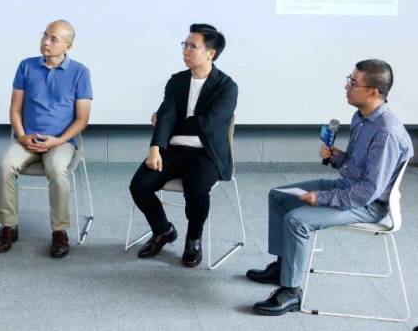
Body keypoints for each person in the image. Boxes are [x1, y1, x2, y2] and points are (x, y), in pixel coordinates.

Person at [246, 59, 413, 316]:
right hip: (348, 186)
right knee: (278, 196)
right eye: (349, 80)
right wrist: (338, 157)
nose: (347, 87)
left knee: (297, 220)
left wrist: (322, 198)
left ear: (374, 91)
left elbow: (368, 191)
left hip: (368, 205)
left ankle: (291, 292)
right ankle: (283, 267)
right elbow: (358, 167)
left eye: (353, 83)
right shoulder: (361, 117)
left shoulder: (386, 133)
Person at [129, 23, 237, 267]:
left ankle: (193, 239)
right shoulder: (176, 81)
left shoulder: (227, 87)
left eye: (192, 46)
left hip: (206, 153)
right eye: (184, 45)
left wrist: (169, 122)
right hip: (174, 149)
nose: (185, 50)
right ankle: (163, 230)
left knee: (196, 188)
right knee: (139, 185)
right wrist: (155, 147)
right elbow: (167, 112)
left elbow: (207, 124)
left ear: (210, 53)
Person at [0, 20, 92, 258]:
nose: (46, 42)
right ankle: (8, 226)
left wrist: (57, 141)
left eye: (53, 39)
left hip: (61, 142)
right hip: (27, 139)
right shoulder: (26, 66)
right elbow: (15, 109)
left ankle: (59, 231)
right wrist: (22, 136)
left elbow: (82, 119)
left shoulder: (80, 72)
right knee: (5, 166)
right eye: (45, 35)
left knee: (57, 170)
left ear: (68, 46)